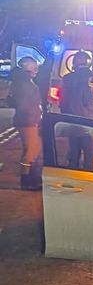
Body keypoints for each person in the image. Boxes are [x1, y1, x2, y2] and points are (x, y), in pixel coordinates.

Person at [59, 51, 93, 170]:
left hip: (72, 120)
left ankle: (73, 174)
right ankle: (88, 176)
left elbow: (63, 101)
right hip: (88, 121)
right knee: (89, 154)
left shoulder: (67, 78)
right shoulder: (92, 78)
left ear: (73, 63)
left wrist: (65, 116)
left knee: (74, 152)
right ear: (88, 63)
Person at [8, 57, 42, 190]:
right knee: (31, 151)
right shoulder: (24, 83)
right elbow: (24, 104)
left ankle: (31, 177)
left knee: (33, 149)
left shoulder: (22, 81)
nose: (37, 71)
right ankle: (27, 180)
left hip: (28, 120)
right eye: (35, 68)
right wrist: (34, 115)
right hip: (28, 121)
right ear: (28, 69)